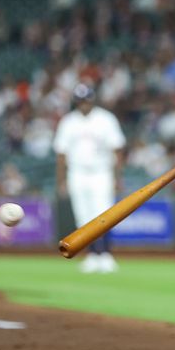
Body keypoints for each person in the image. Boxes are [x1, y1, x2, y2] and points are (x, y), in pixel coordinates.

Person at [54, 84, 125, 273]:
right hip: (77, 172)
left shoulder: (105, 119)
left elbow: (117, 150)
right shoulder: (68, 122)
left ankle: (106, 255)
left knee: (104, 214)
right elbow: (61, 154)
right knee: (83, 216)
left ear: (92, 99)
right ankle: (93, 255)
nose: (84, 104)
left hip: (101, 172)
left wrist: (118, 178)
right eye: (80, 100)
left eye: (86, 100)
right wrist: (61, 180)